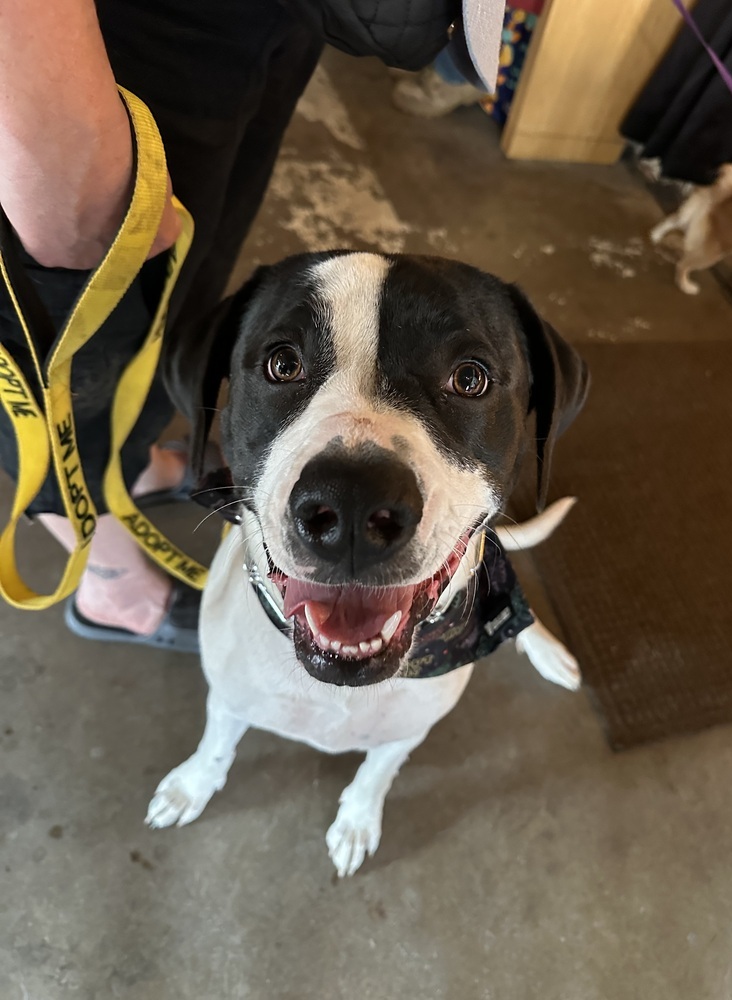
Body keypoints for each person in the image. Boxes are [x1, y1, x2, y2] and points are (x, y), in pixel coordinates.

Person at [0, 0, 503, 651]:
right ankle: (109, 586)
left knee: (180, 304)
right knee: (72, 355)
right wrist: (51, 122)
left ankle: (134, 462)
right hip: (92, 38)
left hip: (253, 26)